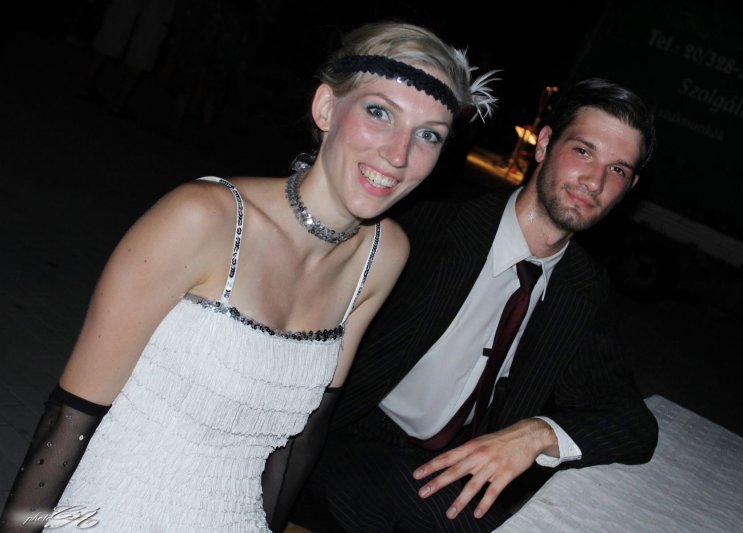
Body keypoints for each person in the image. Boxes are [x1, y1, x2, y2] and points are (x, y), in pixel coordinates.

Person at [0, 21, 498, 532]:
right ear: (326, 107)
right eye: (379, 112)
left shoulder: (384, 254)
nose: (398, 154)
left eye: (428, 135)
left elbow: (302, 440)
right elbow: (68, 421)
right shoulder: (203, 219)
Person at [293, 77, 660, 532]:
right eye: (582, 151)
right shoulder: (427, 228)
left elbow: (632, 423)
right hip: (351, 437)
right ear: (545, 143)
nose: (594, 181)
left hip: (460, 467)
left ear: (630, 187)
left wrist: (536, 434)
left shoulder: (581, 287)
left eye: (617, 169)